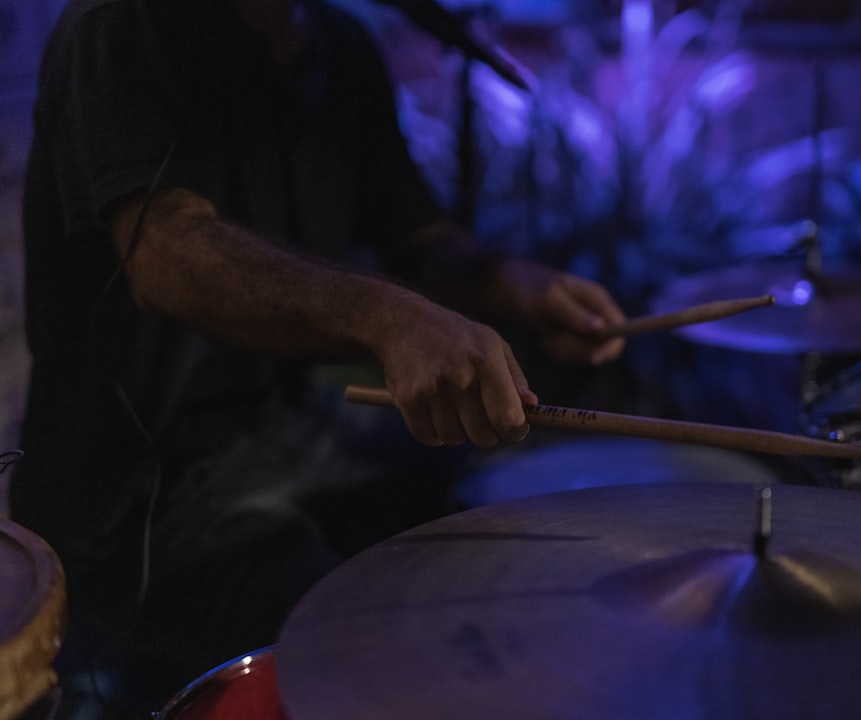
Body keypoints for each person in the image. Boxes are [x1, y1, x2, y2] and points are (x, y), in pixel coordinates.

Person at [11, 0, 626, 715]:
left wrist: (525, 288)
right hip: (137, 497)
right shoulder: (122, 25)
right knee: (371, 649)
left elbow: (420, 239)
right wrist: (389, 318)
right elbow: (166, 253)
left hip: (287, 432)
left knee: (508, 530)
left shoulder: (339, 45)